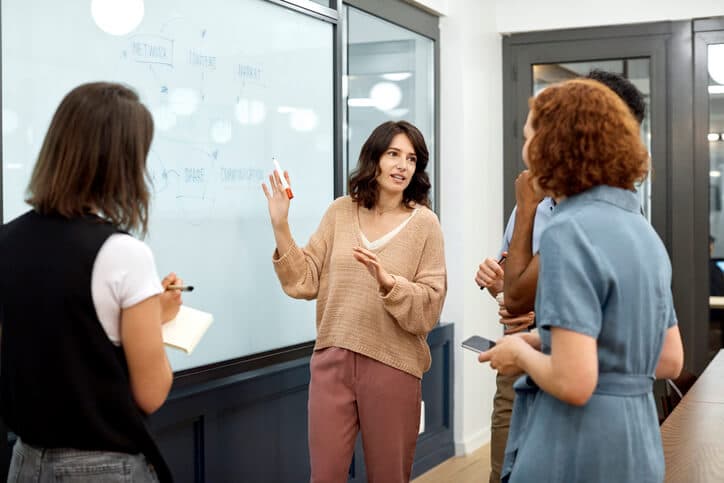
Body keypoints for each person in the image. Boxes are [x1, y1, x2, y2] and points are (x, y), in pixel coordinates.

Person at [478, 78, 684, 482]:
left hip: (576, 444)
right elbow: (668, 358)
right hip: (637, 446)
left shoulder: (568, 231)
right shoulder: (642, 232)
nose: (525, 151)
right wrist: (541, 339)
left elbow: (574, 381)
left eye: (528, 137)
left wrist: (517, 355)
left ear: (551, 145)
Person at [0, 82, 183, 483]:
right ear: (122, 163)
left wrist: (152, 312)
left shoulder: (7, 240)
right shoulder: (123, 254)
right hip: (101, 468)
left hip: (25, 462)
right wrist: (152, 321)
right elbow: (151, 392)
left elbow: (63, 334)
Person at [262, 120, 447, 483]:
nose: (402, 165)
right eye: (393, 154)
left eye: (411, 158)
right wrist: (281, 225)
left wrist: (389, 283)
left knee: (388, 477)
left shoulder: (426, 225)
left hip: (394, 366)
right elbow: (304, 279)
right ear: (374, 158)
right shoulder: (339, 212)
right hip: (333, 359)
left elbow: (430, 305)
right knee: (325, 476)